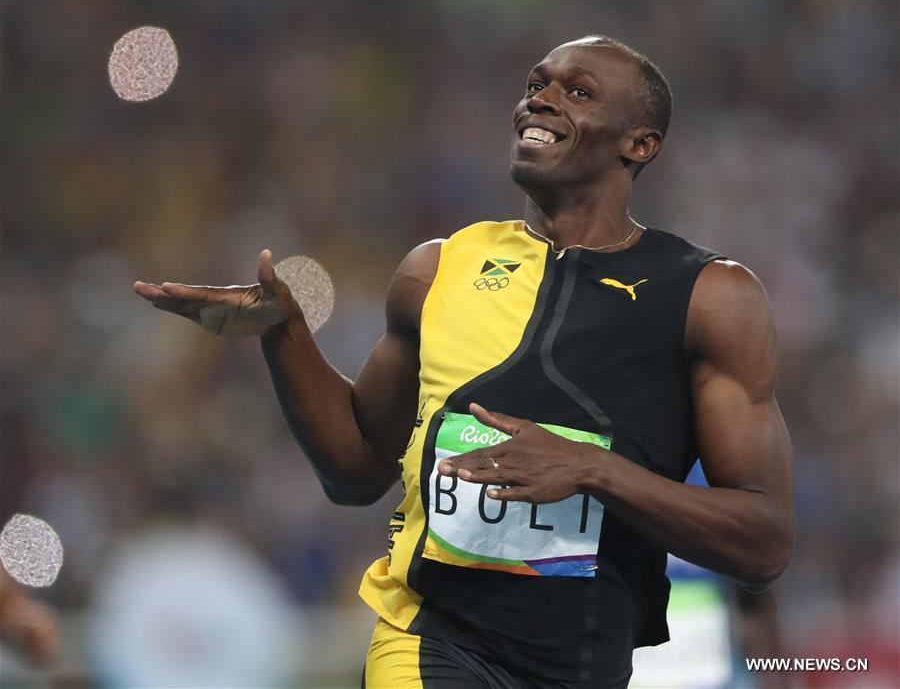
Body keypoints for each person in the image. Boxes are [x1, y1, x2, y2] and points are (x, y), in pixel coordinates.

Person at [134, 35, 795, 688]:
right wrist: (284, 334)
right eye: (536, 85)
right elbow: (357, 471)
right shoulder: (438, 268)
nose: (540, 102)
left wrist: (596, 471)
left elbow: (762, 544)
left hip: (589, 669)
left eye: (578, 91)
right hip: (430, 640)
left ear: (639, 143)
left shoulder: (709, 298)